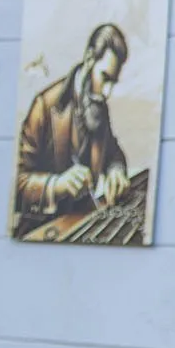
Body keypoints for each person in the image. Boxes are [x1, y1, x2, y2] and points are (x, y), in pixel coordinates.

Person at [13, 22, 135, 227]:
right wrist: (56, 185)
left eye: (112, 82)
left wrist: (116, 170)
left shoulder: (98, 105)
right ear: (89, 58)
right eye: (105, 78)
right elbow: (17, 183)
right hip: (42, 227)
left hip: (82, 222)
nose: (107, 92)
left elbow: (112, 152)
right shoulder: (44, 106)